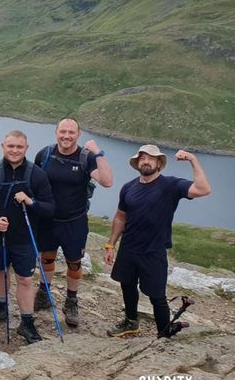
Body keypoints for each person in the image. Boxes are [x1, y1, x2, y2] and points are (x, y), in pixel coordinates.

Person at [104, 145, 211, 338]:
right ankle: (131, 322)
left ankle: (164, 331)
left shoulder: (171, 185)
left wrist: (193, 160)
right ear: (137, 164)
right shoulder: (128, 187)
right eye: (142, 158)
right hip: (128, 247)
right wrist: (111, 244)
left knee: (157, 296)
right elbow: (120, 216)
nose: (145, 161)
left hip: (154, 250)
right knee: (127, 285)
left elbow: (203, 189)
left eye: (150, 158)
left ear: (159, 163)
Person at [0, 130, 54, 344]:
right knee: (0, 272)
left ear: (26, 148)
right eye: (11, 146)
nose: (15, 150)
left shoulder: (37, 175)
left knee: (25, 279)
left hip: (25, 238)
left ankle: (26, 322)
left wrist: (30, 201)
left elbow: (49, 208)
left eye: (19, 147)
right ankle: (0, 307)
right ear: (3, 146)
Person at [33, 118, 113, 327]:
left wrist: (98, 152)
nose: (66, 136)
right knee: (47, 257)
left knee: (74, 262)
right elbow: (33, 180)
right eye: (62, 132)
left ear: (78, 134)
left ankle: (71, 300)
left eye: (71, 132)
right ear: (56, 133)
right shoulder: (45, 154)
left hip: (74, 221)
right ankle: (44, 292)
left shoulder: (86, 157)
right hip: (48, 219)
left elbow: (107, 181)